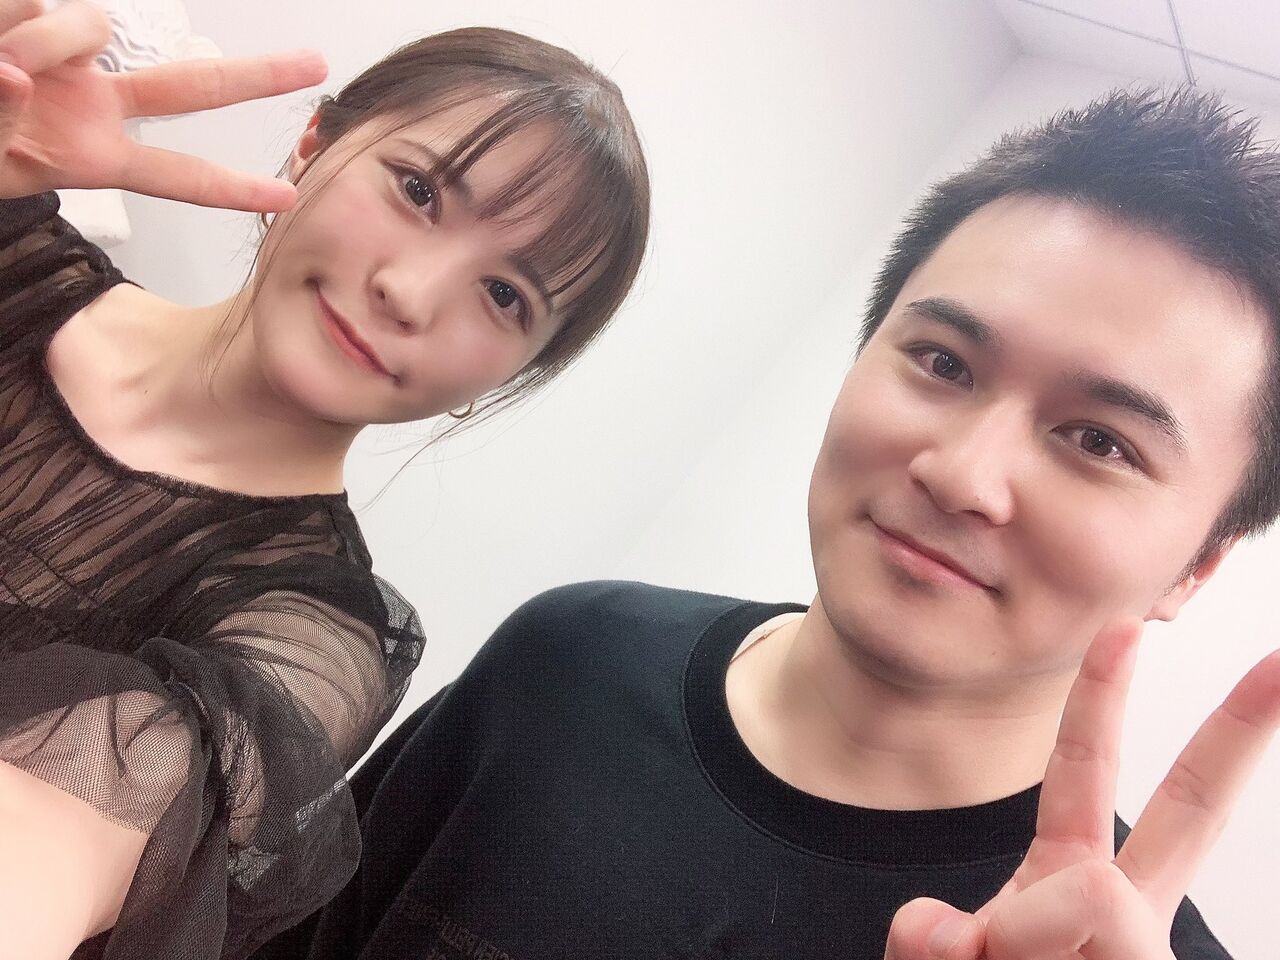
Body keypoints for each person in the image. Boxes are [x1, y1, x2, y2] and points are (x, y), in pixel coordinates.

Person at [256, 87, 1280, 960]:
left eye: (1099, 441)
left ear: (1196, 566)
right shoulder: (566, 657)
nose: (961, 475)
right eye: (942, 363)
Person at [0, 2, 650, 958]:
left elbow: (46, 849)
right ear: (312, 143)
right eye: (419, 191)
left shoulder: (312, 636)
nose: (408, 292)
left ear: (508, 375)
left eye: (505, 295)